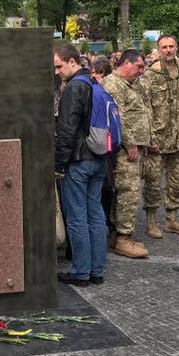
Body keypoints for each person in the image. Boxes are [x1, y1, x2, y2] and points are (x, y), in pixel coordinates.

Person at [55, 43, 108, 286]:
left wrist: (59, 164)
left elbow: (67, 130)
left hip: (78, 161)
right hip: (99, 158)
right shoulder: (94, 83)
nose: (57, 72)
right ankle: (96, 270)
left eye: (59, 66)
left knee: (77, 217)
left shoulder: (73, 88)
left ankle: (81, 271)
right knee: (96, 214)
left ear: (73, 61)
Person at [142, 35, 179, 237]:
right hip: (158, 138)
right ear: (158, 50)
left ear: (177, 48)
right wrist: (149, 138)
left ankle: (171, 219)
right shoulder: (150, 75)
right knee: (153, 182)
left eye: (171, 46)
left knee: (177, 181)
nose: (168, 50)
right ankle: (151, 222)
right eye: (164, 47)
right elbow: (144, 107)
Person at [101, 50, 150, 259]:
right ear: (127, 64)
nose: (141, 71)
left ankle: (117, 235)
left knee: (124, 192)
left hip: (130, 147)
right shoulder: (113, 84)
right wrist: (130, 144)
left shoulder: (127, 84)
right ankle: (123, 238)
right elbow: (117, 118)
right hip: (123, 150)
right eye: (139, 67)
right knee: (129, 192)